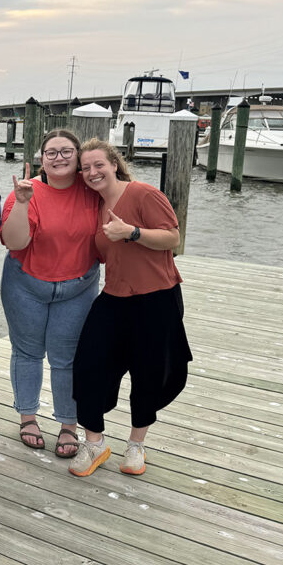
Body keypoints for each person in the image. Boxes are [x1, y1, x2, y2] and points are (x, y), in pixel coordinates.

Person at [70, 138, 191, 477]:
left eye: (99, 165)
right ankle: (94, 443)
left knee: (148, 372)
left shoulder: (143, 194)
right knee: (87, 367)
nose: (93, 172)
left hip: (157, 296)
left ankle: (136, 445)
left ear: (114, 165)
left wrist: (132, 232)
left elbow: (172, 238)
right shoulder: (93, 204)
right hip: (115, 295)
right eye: (86, 168)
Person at [0, 129, 101, 459]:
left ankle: (68, 423)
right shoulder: (25, 191)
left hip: (79, 286)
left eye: (66, 151)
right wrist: (23, 202)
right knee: (27, 351)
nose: (59, 157)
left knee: (67, 356)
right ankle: (27, 416)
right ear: (41, 159)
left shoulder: (93, 191)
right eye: (51, 152)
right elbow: (14, 242)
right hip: (27, 283)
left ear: (78, 156)